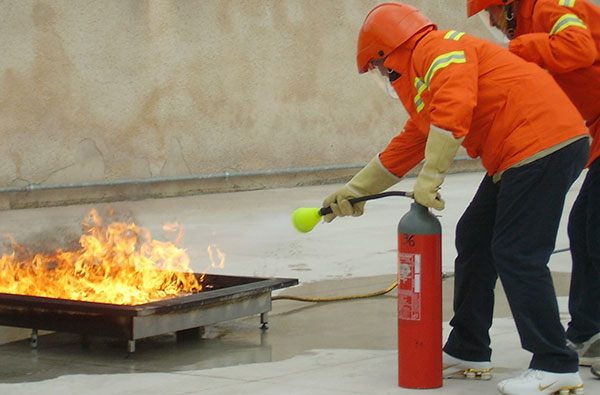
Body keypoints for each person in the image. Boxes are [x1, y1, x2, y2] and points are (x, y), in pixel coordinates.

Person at [322, 2, 590, 394]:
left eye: (379, 67)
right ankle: (469, 348)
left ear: (388, 50)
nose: (383, 75)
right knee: (474, 238)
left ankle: (555, 363)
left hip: (541, 145)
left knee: (517, 252)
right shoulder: (425, 71)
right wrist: (355, 190)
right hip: (520, 153)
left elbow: (454, 109)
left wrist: (432, 176)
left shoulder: (439, 49)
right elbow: (410, 141)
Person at [467, 0, 600, 378]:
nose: (490, 22)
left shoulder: (549, 7)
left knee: (594, 230)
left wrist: (519, 49)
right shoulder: (532, 22)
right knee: (584, 229)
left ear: (508, 5)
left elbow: (580, 47)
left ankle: (586, 336)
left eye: (491, 12)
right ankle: (589, 333)